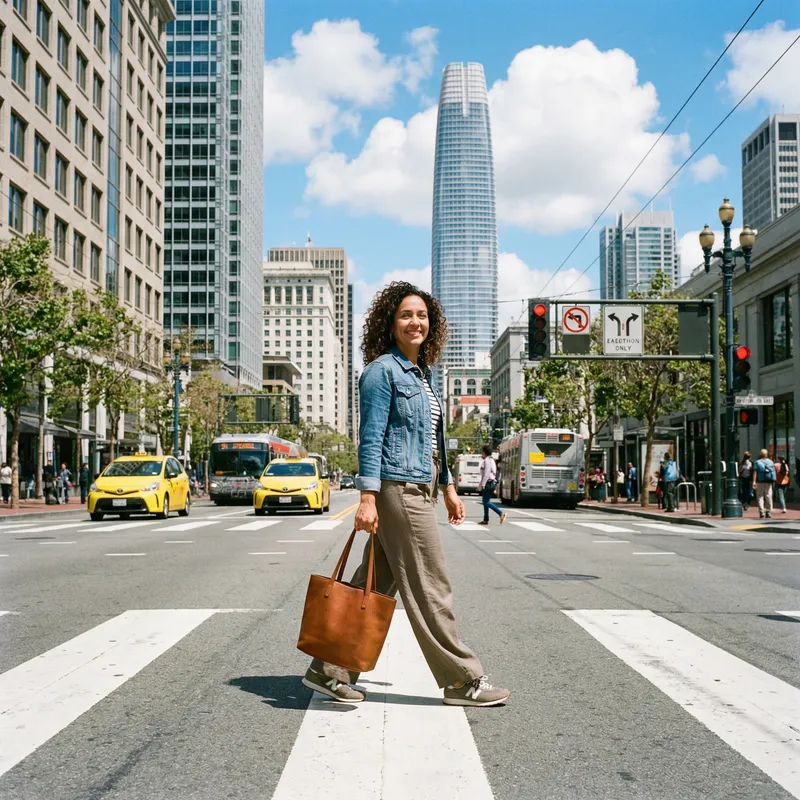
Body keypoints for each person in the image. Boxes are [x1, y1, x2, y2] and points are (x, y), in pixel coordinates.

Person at [303, 281, 510, 707]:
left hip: (421, 486)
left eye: (421, 315)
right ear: (390, 323)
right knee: (432, 585)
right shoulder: (382, 372)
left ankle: (328, 670)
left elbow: (436, 439)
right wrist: (366, 497)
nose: (414, 322)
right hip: (400, 490)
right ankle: (462, 679)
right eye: (405, 315)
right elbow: (371, 437)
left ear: (430, 324)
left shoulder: (424, 376)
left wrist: (450, 488)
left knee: (374, 587)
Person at [477, 444, 506, 526]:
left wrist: (482, 484)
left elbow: (486, 474)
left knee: (485, 501)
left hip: (489, 483)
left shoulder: (487, 461)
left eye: (482, 451)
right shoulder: (490, 460)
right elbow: (484, 475)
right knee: (485, 501)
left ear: (484, 452)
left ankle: (501, 513)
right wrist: (480, 485)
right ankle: (486, 519)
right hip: (489, 482)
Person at [753, 448, 776, 519]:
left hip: (760, 481)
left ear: (760, 454)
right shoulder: (771, 462)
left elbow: (755, 472)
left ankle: (762, 512)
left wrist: (754, 481)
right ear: (767, 454)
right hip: (769, 481)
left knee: (760, 497)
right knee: (768, 496)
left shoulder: (757, 462)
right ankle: (768, 512)